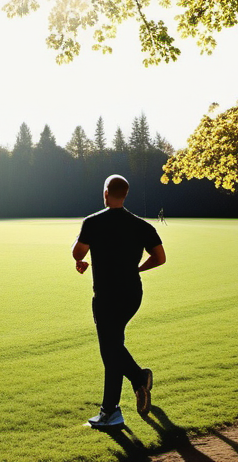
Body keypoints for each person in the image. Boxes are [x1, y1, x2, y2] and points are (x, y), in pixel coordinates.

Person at [72, 174, 166, 428]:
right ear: (125, 195)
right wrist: (137, 270)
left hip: (106, 296)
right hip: (132, 295)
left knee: (110, 349)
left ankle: (138, 379)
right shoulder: (141, 225)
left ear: (105, 193)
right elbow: (159, 257)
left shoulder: (92, 222)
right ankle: (110, 409)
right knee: (113, 346)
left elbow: (77, 252)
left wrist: (80, 259)